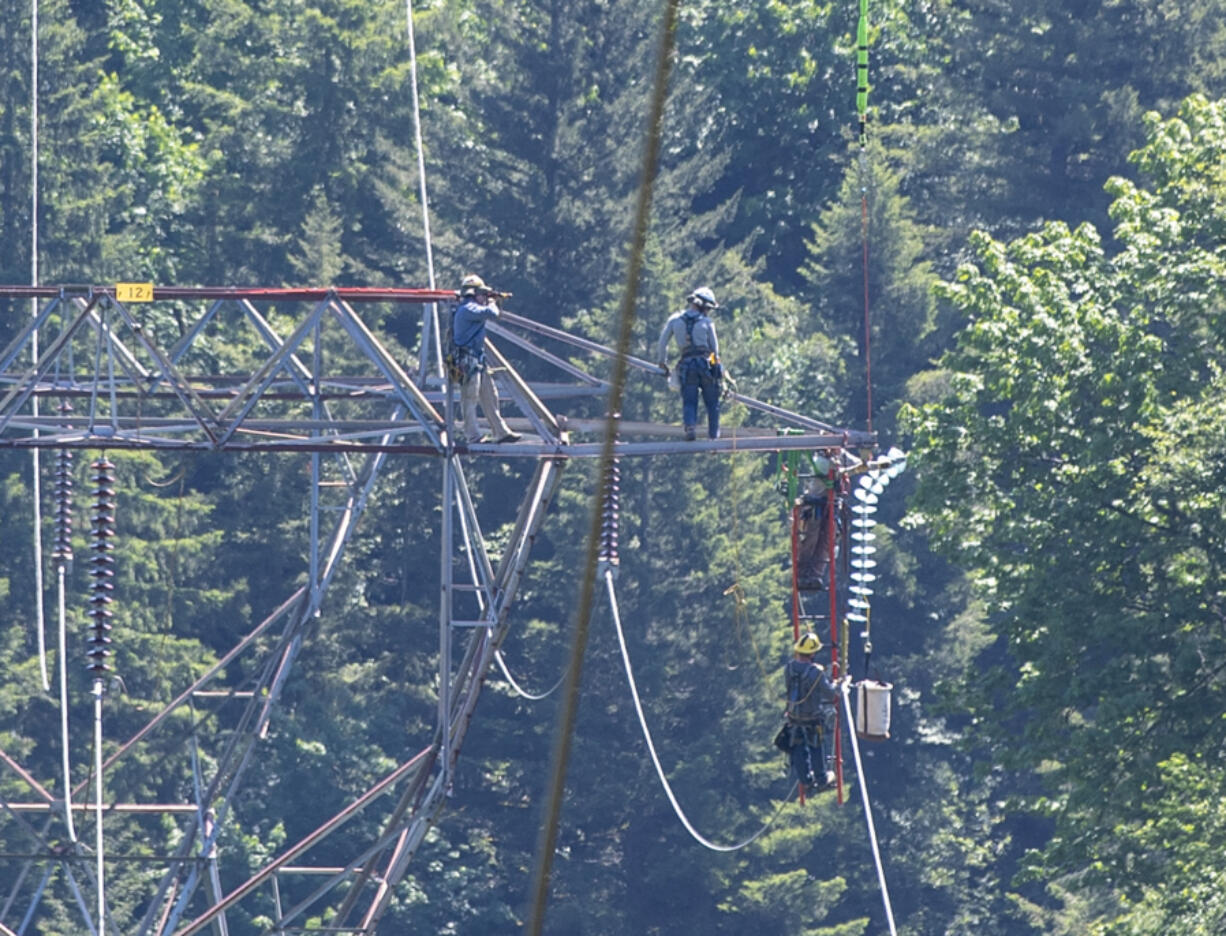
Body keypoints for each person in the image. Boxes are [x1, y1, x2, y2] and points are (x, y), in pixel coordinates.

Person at [449, 274, 521, 444]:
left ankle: (501, 432)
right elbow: (492, 313)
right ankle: (472, 436)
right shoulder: (468, 308)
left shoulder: (470, 308)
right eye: (483, 294)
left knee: (490, 395)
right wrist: (492, 302)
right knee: (470, 398)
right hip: (465, 360)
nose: (484, 298)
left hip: (476, 359)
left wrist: (490, 300)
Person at [656, 286, 722, 441]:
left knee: (689, 401)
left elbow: (662, 343)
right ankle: (713, 436)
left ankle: (690, 428)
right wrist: (715, 368)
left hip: (687, 366)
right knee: (712, 403)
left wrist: (662, 363)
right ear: (703, 306)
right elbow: (714, 350)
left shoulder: (675, 320)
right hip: (705, 365)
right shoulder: (707, 322)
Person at [782, 632, 839, 793]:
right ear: (813, 653)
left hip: (794, 717)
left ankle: (805, 780)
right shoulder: (816, 673)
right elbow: (831, 695)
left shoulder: (789, 668)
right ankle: (821, 779)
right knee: (816, 747)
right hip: (812, 718)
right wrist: (838, 685)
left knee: (798, 748)